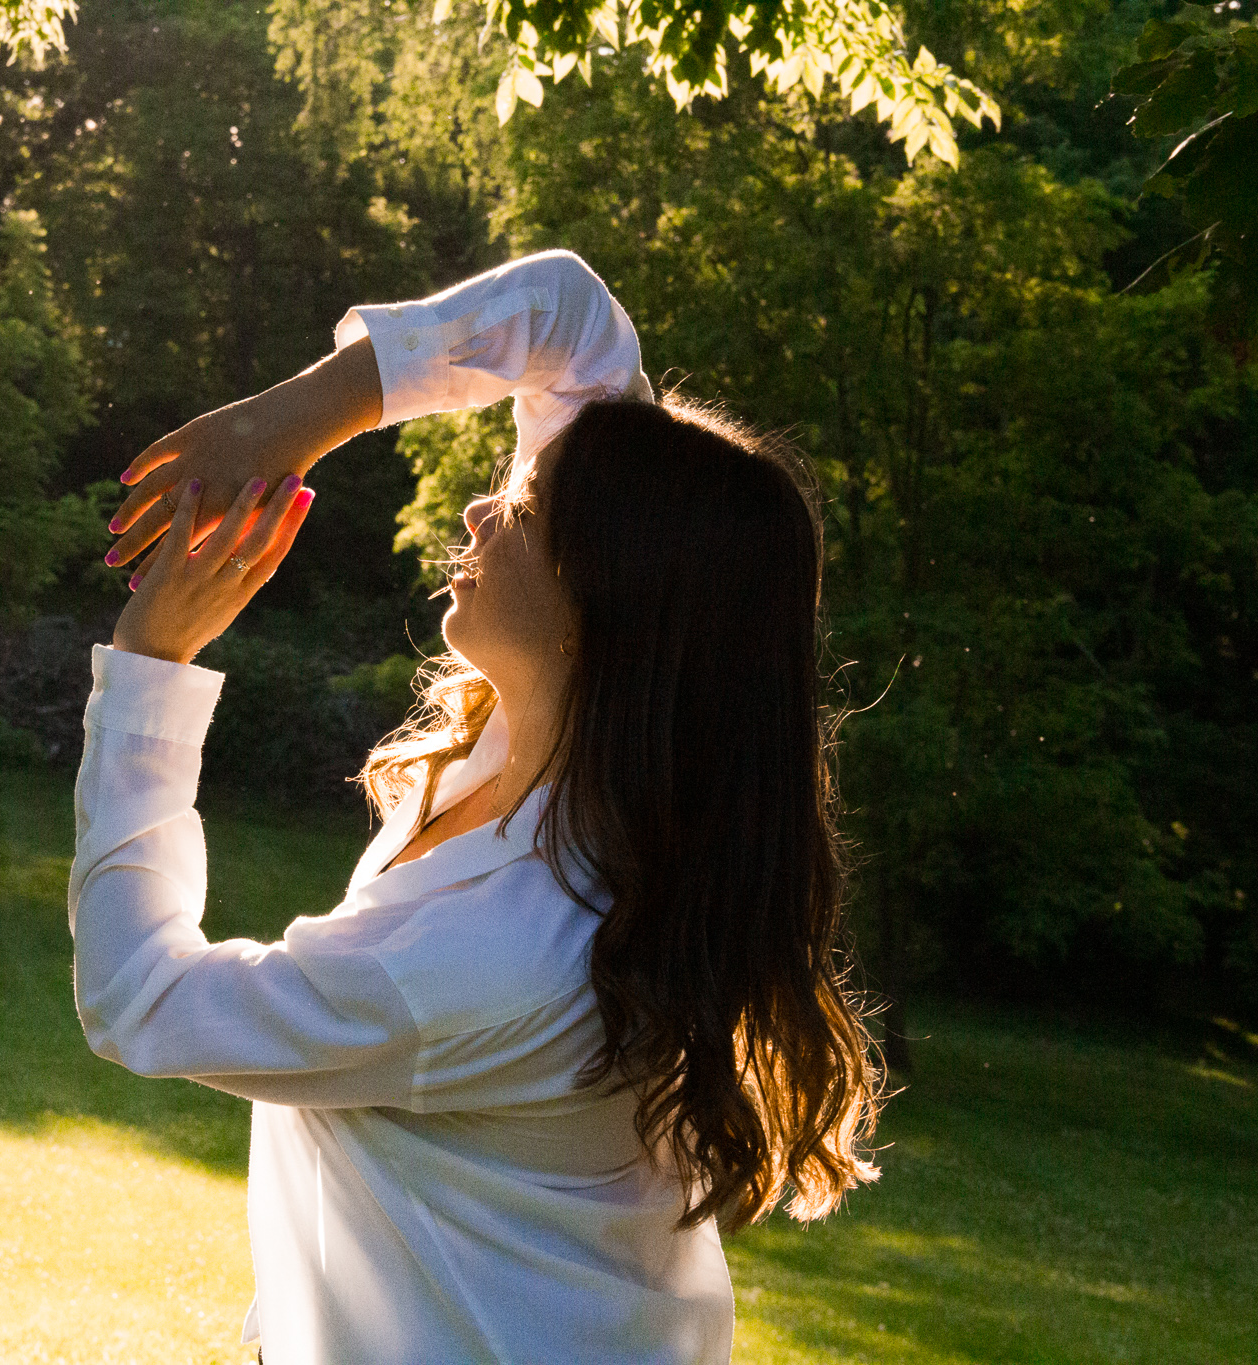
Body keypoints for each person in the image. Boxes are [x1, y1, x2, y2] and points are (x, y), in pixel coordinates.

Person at [67, 251, 882, 1364]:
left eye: (528, 506)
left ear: (601, 610)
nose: (482, 505)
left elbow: (141, 1000)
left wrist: (149, 668)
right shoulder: (563, 762)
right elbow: (566, 313)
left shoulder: (501, 948)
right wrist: (290, 423)